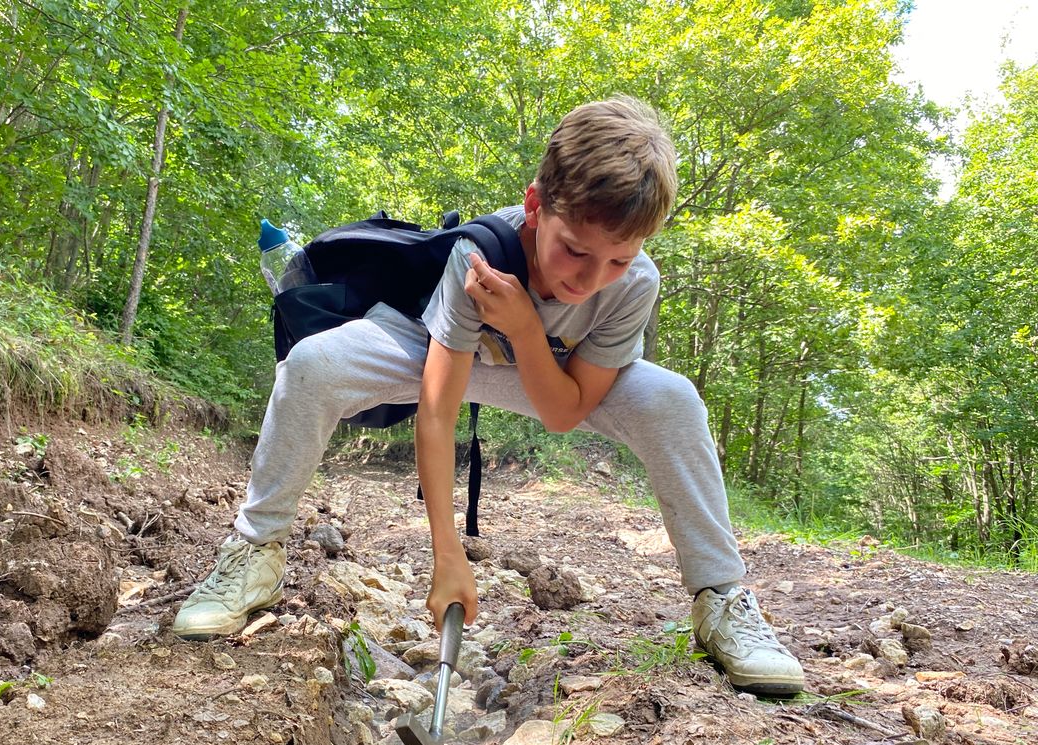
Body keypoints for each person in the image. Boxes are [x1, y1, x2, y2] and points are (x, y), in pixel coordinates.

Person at [173, 96, 805, 696]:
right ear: (536, 207)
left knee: (674, 399)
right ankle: (255, 550)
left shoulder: (633, 283)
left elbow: (564, 412)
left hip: (550, 373)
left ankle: (722, 598)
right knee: (312, 364)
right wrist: (447, 555)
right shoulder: (480, 255)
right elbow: (438, 408)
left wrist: (526, 324)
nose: (589, 279)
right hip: (435, 345)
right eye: (575, 251)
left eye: (618, 259)